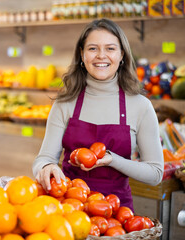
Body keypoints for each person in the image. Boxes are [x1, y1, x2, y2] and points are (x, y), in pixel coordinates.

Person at [33, 18, 164, 210]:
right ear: (82, 55)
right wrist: (46, 168)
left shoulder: (140, 106)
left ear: (122, 56)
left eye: (110, 49)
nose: (101, 56)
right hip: (70, 207)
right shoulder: (65, 103)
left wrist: (113, 160)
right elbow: (43, 159)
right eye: (93, 48)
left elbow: (155, 173)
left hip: (116, 214)